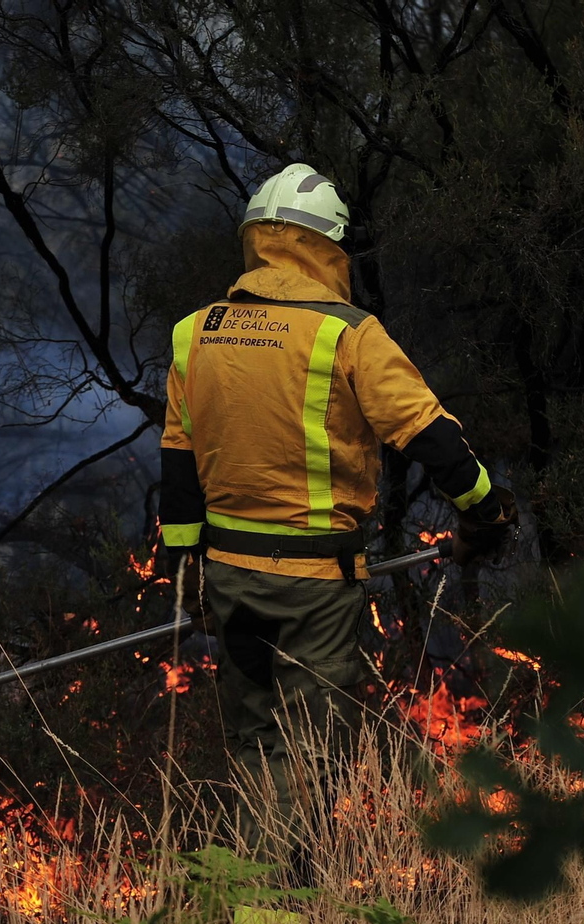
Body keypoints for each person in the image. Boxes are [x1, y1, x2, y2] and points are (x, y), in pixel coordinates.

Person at [157, 162, 517, 876]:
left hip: (229, 583)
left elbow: (177, 467)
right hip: (315, 591)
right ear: (327, 247)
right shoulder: (347, 334)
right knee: (309, 763)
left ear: (257, 241)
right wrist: (486, 508)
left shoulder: (194, 333)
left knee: (258, 750)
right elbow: (431, 437)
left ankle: (248, 922)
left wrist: (185, 570)